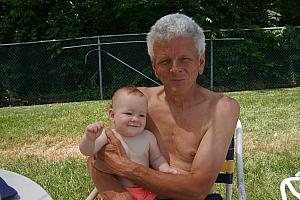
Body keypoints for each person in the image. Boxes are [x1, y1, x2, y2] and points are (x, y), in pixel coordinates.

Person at [87, 13, 240, 200]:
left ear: (201, 62)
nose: (175, 68)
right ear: (155, 68)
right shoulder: (139, 103)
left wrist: (125, 167)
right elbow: (97, 156)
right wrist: (118, 195)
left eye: (184, 59)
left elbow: (197, 190)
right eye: (165, 61)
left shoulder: (221, 108)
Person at [80, 87, 177, 200]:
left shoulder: (148, 137)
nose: (135, 119)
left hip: (146, 190)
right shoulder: (109, 135)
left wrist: (165, 168)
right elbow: (87, 151)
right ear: (112, 115)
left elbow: (156, 159)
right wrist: (89, 139)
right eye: (129, 113)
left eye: (142, 115)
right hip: (118, 191)